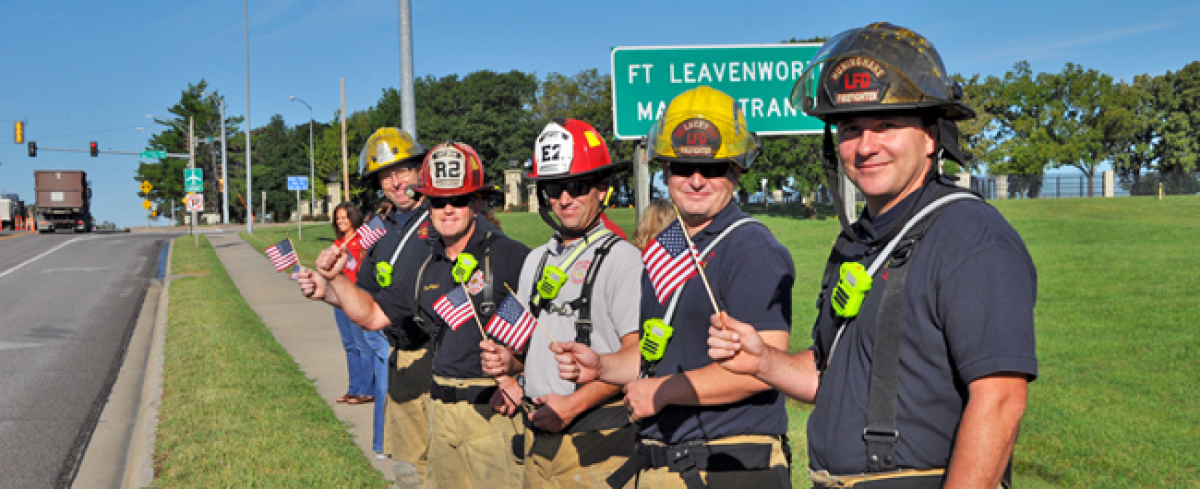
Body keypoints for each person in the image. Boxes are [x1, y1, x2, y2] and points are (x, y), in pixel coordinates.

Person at [708, 23, 1038, 488]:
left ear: (930, 135)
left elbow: (1001, 401)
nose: (865, 146)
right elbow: (832, 374)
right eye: (851, 128)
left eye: (885, 125)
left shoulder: (972, 236)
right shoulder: (857, 242)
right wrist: (763, 360)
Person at [553, 86, 795, 488]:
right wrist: (602, 366)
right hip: (664, 463)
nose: (696, 180)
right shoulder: (669, 246)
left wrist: (664, 393)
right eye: (682, 167)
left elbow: (765, 369)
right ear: (664, 171)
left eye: (713, 168)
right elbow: (655, 356)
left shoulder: (751, 246)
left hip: (728, 464)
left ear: (736, 170)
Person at [303, 141, 531, 489]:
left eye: (459, 199)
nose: (448, 208)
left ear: (477, 203)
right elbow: (373, 314)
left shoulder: (512, 257)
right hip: (441, 411)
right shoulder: (426, 265)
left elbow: (552, 333)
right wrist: (333, 280)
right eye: (439, 200)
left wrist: (518, 373)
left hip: (493, 413)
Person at [479, 118, 642, 488]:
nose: (564, 199)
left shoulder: (623, 259)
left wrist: (572, 407)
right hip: (538, 437)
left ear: (602, 189)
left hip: (596, 444)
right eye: (553, 188)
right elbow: (531, 345)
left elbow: (638, 359)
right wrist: (512, 367)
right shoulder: (536, 259)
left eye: (577, 186)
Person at [296, 127, 434, 478]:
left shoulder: (442, 217)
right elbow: (366, 298)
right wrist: (326, 289)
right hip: (400, 360)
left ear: (420, 168)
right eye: (385, 176)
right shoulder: (378, 228)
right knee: (410, 471)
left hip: (444, 363)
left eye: (402, 170)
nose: (395, 182)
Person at [330, 202, 378, 406]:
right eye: (338, 218)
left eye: (344, 217)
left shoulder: (362, 240)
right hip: (340, 297)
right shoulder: (338, 242)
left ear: (353, 218)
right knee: (350, 346)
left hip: (357, 295)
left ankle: (366, 390)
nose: (341, 221)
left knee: (362, 345)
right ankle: (353, 389)